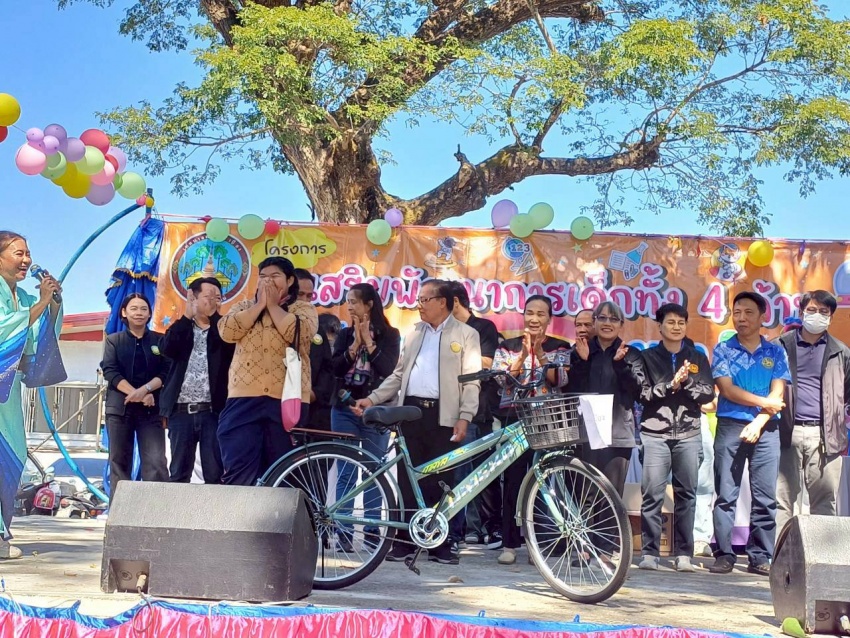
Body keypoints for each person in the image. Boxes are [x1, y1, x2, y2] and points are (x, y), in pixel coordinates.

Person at [355, 279, 480, 565]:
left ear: (442, 302)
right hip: (409, 412)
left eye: (424, 299)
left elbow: (471, 382)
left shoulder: (466, 334)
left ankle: (439, 542)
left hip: (443, 415)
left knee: (441, 480)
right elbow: (399, 375)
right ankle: (404, 542)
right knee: (407, 478)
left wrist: (465, 416)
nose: (419, 305)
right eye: (418, 299)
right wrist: (372, 399)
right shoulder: (413, 333)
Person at [217, 257, 317, 486]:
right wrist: (259, 306)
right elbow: (227, 332)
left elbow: (299, 334)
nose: (268, 282)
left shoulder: (303, 309)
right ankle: (238, 510)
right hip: (243, 399)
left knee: (284, 471)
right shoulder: (243, 307)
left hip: (287, 400)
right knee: (238, 467)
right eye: (263, 277)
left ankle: (279, 511)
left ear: (289, 281)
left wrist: (272, 306)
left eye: (275, 276)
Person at [710, 291, 791, 576]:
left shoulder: (776, 351)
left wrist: (758, 422)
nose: (741, 318)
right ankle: (723, 554)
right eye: (737, 312)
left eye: (748, 312)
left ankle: (760, 556)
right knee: (725, 494)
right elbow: (727, 389)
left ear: (762, 317)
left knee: (765, 496)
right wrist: (764, 403)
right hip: (730, 426)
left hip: (766, 429)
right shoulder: (723, 349)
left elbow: (778, 393)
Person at [632, 303, 714, 572]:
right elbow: (643, 394)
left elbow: (708, 393)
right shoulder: (646, 357)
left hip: (689, 433)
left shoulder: (697, 357)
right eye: (670, 322)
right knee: (652, 495)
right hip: (655, 433)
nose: (676, 327)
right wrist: (670, 385)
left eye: (681, 322)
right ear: (660, 326)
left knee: (686, 495)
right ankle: (649, 553)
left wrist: (686, 383)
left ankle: (683, 554)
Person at [491, 294, 571, 565]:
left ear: (549, 319)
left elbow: (561, 379)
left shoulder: (561, 347)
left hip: (547, 421)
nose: (534, 318)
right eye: (530, 313)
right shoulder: (508, 346)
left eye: (540, 314)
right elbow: (502, 381)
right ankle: (510, 544)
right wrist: (523, 356)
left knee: (545, 481)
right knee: (513, 482)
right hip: (515, 420)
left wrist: (540, 354)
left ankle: (539, 545)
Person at [0, 231, 63, 560]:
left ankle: (1, 532)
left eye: (28, 253)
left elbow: (39, 335)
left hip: (7, 392)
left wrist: (52, 302)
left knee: (12, 456)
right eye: (18, 253)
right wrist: (40, 304)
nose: (26, 260)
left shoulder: (24, 297)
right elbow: (6, 330)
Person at [330, 282, 400, 550]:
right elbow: (335, 369)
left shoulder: (390, 335)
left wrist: (368, 343)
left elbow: (389, 370)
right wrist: (354, 345)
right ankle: (343, 532)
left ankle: (372, 531)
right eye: (347, 301)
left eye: (354, 302)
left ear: (369, 304)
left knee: (373, 469)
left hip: (375, 411)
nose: (349, 306)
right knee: (346, 469)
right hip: (344, 409)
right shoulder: (345, 334)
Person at [774, 290, 850, 534]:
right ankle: (781, 554)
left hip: (825, 436)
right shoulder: (780, 346)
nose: (817, 315)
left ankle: (821, 555)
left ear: (831, 317)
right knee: (782, 500)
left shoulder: (841, 352)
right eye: (812, 310)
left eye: (823, 312)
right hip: (786, 433)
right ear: (801, 313)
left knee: (825, 501)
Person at [159, 277, 235, 483]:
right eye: (208, 296)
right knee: (179, 474)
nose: (213, 301)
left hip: (213, 412)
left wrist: (215, 318)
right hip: (181, 412)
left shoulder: (225, 329)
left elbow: (228, 350)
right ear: (193, 298)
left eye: (218, 297)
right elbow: (167, 348)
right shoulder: (182, 328)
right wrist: (186, 316)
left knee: (215, 474)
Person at [445, 280, 502, 550]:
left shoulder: (483, 327)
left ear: (455, 302)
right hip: (446, 412)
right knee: (453, 474)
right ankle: (454, 532)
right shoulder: (443, 329)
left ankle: (483, 528)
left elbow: (486, 364)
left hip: (478, 412)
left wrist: (452, 359)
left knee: (480, 474)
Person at [100, 293, 170, 498]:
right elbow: (110, 371)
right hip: (120, 410)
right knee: (119, 463)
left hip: (151, 409)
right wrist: (137, 394)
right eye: (134, 308)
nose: (139, 313)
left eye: (143, 309)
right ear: (124, 312)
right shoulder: (114, 340)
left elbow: (166, 371)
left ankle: (157, 511)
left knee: (156, 462)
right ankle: (119, 512)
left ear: (149, 314)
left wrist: (146, 390)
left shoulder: (160, 340)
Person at [569, 301, 641, 498]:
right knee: (585, 496)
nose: (607, 323)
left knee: (611, 497)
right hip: (586, 434)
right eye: (602, 318)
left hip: (618, 435)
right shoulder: (580, 351)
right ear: (594, 322)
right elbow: (571, 391)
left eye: (614, 319)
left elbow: (637, 391)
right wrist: (583, 362)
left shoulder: (630, 353)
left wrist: (620, 364)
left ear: (621, 324)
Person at [295, 269, 333, 430]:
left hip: (311, 409)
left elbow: (327, 367)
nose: (305, 301)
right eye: (300, 294)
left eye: (309, 296)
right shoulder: (273, 322)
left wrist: (315, 393)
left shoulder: (317, 328)